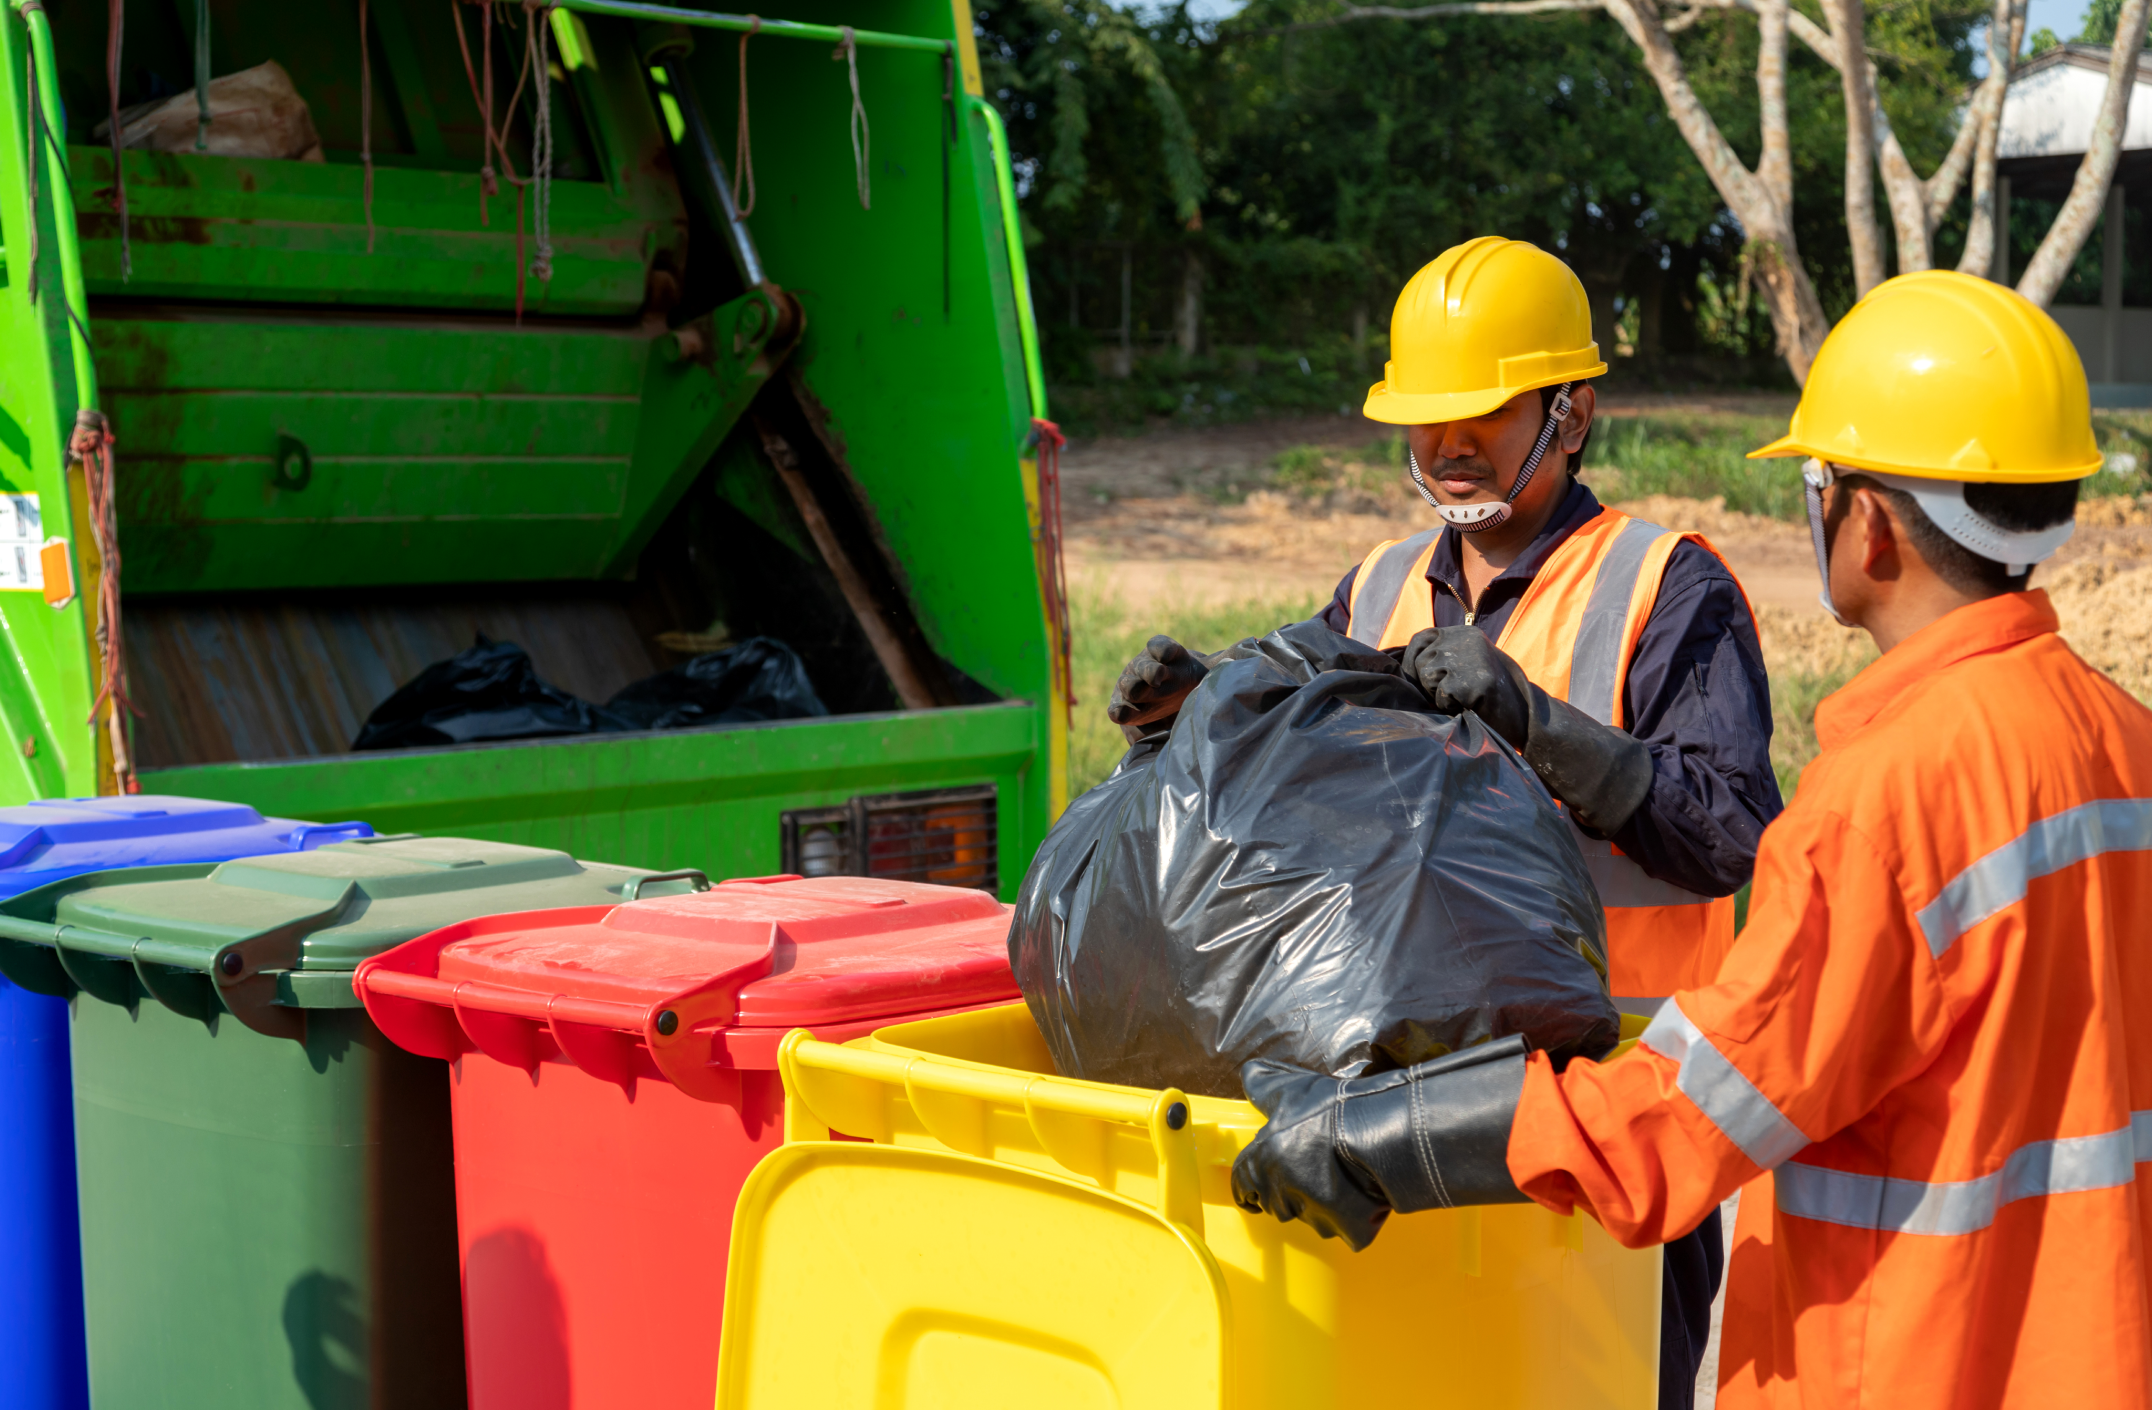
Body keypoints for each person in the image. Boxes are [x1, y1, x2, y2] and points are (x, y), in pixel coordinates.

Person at [1227, 268, 2152, 1409]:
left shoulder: (1877, 797)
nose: (1450, 444)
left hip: (1892, 1342)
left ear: (1860, 520)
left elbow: (1684, 1116)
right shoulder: (2127, 744)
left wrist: (1385, 1142)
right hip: (2078, 1349)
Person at [1108, 236, 1782, 1405]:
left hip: (1600, 1119)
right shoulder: (1375, 588)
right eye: (1424, 419)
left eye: (1481, 414)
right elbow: (1297, 796)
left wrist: (1541, 723)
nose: (1446, 446)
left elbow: (1729, 837)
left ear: (1570, 414)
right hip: (1390, 1120)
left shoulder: (1665, 587)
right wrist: (1202, 705)